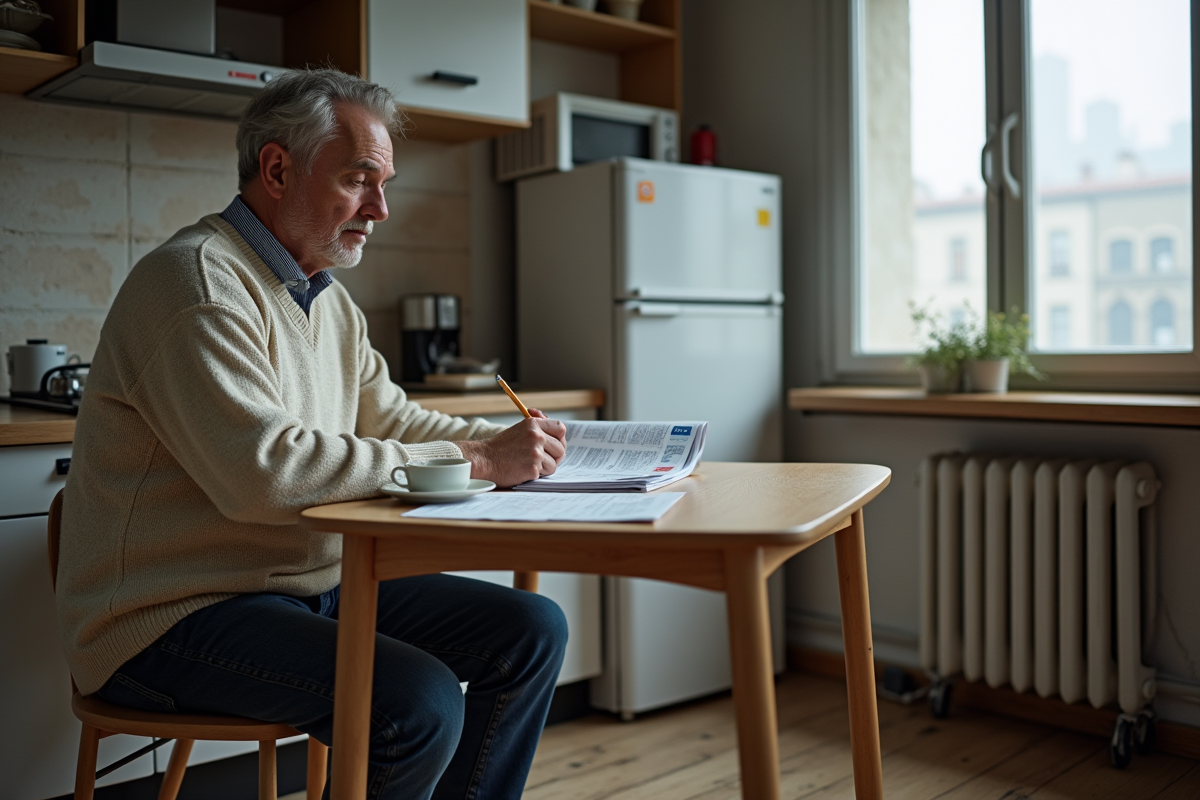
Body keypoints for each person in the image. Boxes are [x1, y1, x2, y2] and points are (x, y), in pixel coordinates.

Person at [56, 69, 569, 800]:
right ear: (276, 170)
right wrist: (481, 457)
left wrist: (518, 444)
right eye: (359, 179)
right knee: (416, 702)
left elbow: (397, 422)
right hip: (166, 617)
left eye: (383, 184)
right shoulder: (196, 284)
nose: (380, 208)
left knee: (531, 631)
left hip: (304, 586)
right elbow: (265, 474)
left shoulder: (327, 300)